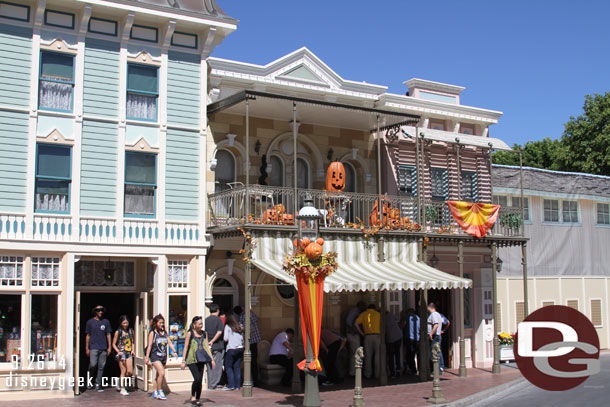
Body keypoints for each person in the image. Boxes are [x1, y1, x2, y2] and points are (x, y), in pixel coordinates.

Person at [181, 316, 215, 406]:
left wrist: (212, 359)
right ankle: (192, 395)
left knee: (200, 380)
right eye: (199, 324)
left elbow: (207, 347)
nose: (201, 325)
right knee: (197, 378)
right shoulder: (190, 333)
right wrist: (183, 360)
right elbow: (185, 346)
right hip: (192, 359)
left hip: (201, 358)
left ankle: (198, 399)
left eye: (201, 324)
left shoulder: (204, 333)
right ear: (194, 325)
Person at [146, 314, 178, 400]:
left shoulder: (165, 333)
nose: (161, 324)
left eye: (163, 323)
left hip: (163, 356)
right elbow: (149, 345)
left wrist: (174, 351)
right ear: (156, 323)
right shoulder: (153, 333)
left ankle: (155, 391)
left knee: (158, 375)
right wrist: (146, 357)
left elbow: (169, 342)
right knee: (162, 373)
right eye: (160, 323)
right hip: (155, 356)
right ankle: (160, 391)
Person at [85, 305, 112, 392]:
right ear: (95, 311)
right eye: (98, 310)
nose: (100, 312)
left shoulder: (106, 322)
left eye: (101, 310)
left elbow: (108, 334)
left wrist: (109, 347)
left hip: (103, 347)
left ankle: (98, 384)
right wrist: (87, 347)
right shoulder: (90, 322)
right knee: (93, 364)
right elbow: (88, 335)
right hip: (93, 347)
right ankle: (89, 381)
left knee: (101, 366)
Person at [235, 306, 261, 385]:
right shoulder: (250, 314)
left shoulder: (243, 317)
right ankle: (255, 380)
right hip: (255, 339)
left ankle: (249, 380)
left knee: (248, 361)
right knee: (253, 361)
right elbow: (257, 319)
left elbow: (244, 328)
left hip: (249, 341)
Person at [355, 304, 381, 379]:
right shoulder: (378, 314)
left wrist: (362, 333)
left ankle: (368, 374)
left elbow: (356, 323)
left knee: (368, 356)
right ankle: (377, 374)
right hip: (377, 335)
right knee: (377, 355)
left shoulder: (364, 314)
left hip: (367, 336)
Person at [112, 315, 135, 396]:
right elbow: (113, 344)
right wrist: (118, 351)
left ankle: (119, 381)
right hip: (121, 353)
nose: (125, 324)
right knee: (123, 371)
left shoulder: (131, 331)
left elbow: (132, 342)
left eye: (126, 323)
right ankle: (122, 388)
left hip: (128, 352)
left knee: (130, 372)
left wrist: (133, 350)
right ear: (121, 323)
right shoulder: (118, 332)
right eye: (124, 323)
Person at [204, 303, 225, 390]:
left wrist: (207, 342)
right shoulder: (219, 320)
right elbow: (219, 332)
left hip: (208, 346)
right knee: (217, 365)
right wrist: (212, 341)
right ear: (218, 311)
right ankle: (213, 384)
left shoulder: (205, 320)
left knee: (209, 365)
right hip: (217, 346)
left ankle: (210, 383)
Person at [223, 313, 245, 391]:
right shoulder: (240, 326)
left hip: (232, 348)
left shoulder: (228, 326)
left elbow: (225, 338)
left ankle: (231, 385)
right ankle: (237, 385)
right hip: (240, 348)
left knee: (228, 366)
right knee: (237, 367)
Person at [345, 301, 366, 376]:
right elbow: (348, 321)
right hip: (353, 334)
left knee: (355, 353)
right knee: (355, 353)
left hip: (354, 334)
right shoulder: (355, 311)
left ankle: (354, 371)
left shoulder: (356, 311)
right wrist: (352, 330)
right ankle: (353, 372)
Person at [427, 303, 444, 373]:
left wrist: (431, 334)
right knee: (436, 352)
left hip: (435, 336)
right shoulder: (437, 314)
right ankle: (438, 368)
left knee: (435, 353)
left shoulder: (434, 314)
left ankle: (439, 369)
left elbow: (436, 325)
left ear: (430, 307)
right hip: (436, 335)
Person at [385, 311, 402, 378]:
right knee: (397, 354)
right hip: (398, 336)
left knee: (391, 356)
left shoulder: (383, 318)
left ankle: (392, 372)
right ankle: (398, 369)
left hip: (390, 338)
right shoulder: (391, 315)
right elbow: (399, 320)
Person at [403, 308, 420, 374]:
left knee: (409, 354)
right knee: (414, 354)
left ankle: (412, 369)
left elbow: (402, 325)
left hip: (409, 337)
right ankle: (417, 368)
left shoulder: (407, 317)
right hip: (417, 338)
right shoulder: (418, 318)